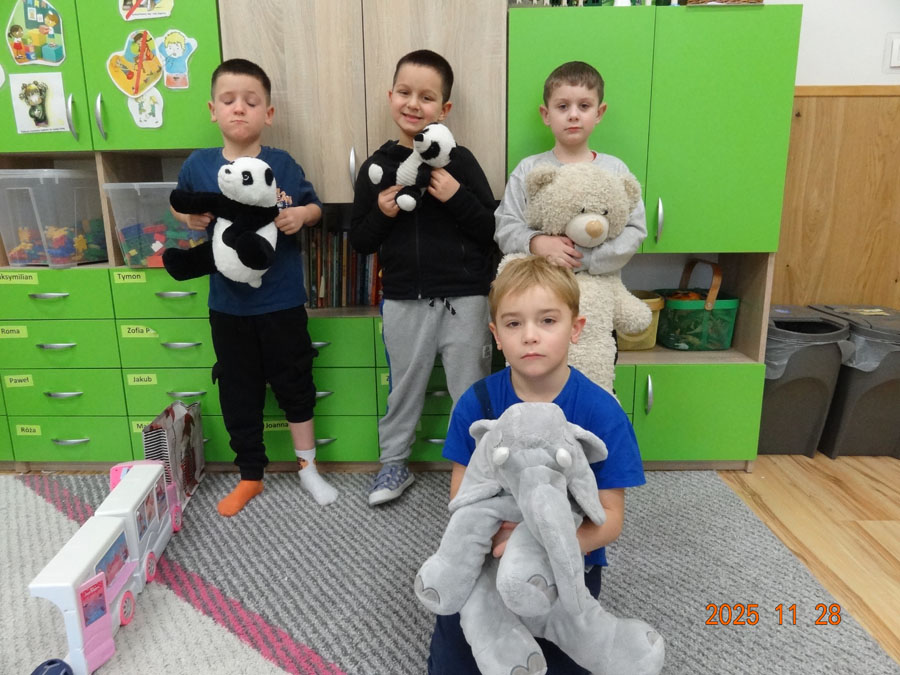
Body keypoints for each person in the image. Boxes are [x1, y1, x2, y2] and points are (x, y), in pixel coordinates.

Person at [427, 255, 646, 674]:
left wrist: (544, 545)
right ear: (496, 335)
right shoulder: (477, 404)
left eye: (547, 321)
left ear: (575, 328)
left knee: (567, 656)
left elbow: (610, 518)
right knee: (458, 656)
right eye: (514, 324)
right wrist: (498, 541)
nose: (530, 336)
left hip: (568, 556)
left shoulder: (602, 412)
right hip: (489, 552)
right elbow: (462, 497)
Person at [171, 58, 337, 516]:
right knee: (238, 392)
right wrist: (188, 217)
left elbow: (315, 207)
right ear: (213, 110)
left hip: (281, 302)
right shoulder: (199, 165)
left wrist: (301, 215)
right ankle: (250, 475)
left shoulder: (281, 163)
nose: (239, 108)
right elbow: (179, 205)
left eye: (251, 101)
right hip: (228, 308)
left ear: (269, 112)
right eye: (228, 101)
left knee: (295, 384)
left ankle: (308, 467)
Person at [350, 49, 498, 506]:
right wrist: (382, 212)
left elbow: (491, 230)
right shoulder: (377, 168)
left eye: (427, 97)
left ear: (444, 109)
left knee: (472, 392)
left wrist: (455, 196)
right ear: (390, 96)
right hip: (403, 300)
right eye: (405, 92)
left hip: (465, 299)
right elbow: (361, 242)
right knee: (404, 390)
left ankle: (480, 469)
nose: (414, 104)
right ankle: (394, 463)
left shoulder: (461, 161)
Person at [495, 60, 646, 275]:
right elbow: (505, 226)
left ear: (599, 113)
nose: (573, 115)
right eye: (563, 106)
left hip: (600, 286)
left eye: (584, 106)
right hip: (543, 283)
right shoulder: (528, 169)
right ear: (546, 115)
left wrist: (583, 258)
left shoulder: (615, 169)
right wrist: (536, 243)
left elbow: (635, 231)